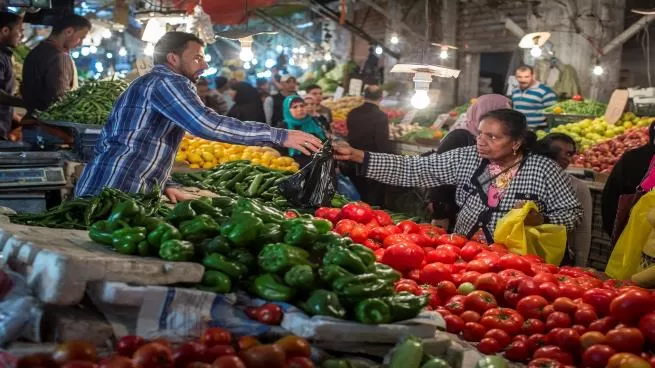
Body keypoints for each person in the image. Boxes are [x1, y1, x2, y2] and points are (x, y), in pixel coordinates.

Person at [75, 32, 321, 202]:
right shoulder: (167, 82)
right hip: (116, 186)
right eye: (197, 57)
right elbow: (205, 124)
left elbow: (143, 140)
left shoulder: (153, 82)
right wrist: (279, 135)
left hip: (117, 183)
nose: (203, 65)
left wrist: (166, 183)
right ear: (173, 58)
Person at [334, 109, 582, 243]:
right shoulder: (467, 157)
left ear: (516, 142)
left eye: (492, 137)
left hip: (518, 262)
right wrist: (359, 156)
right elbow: (416, 170)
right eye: (480, 134)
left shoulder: (544, 170)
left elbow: (572, 213)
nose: (481, 142)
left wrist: (540, 219)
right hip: (467, 252)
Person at [428, 94, 511, 231]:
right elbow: (438, 175)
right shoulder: (459, 137)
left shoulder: (502, 140)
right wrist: (440, 213)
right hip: (452, 211)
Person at [535, 133, 592, 267]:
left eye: (569, 154)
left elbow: (582, 231)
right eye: (556, 152)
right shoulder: (524, 179)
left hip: (558, 259)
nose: (564, 157)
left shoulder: (578, 188)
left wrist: (580, 266)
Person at [21, 14, 91, 113]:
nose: (81, 43)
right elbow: (60, 99)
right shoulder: (59, 57)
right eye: (81, 37)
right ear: (68, 31)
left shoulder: (37, 51)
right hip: (46, 125)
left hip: (32, 120)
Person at [602, 122, 655, 239]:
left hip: (629, 237)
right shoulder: (631, 159)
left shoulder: (631, 158)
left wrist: (615, 233)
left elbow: (609, 198)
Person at [344, 85, 391, 206]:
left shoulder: (352, 113)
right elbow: (381, 141)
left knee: (357, 195)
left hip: (353, 160)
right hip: (371, 161)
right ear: (381, 98)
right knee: (373, 198)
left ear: (363, 96)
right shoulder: (380, 116)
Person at [283, 95, 326, 167]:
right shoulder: (283, 127)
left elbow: (324, 142)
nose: (300, 109)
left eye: (302, 106)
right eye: (295, 107)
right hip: (292, 167)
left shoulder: (314, 121)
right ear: (287, 110)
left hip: (316, 165)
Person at [0, 12, 23, 140]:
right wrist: (27, 103)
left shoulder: (5, 55)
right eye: (19, 31)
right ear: (5, 30)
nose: (22, 35)